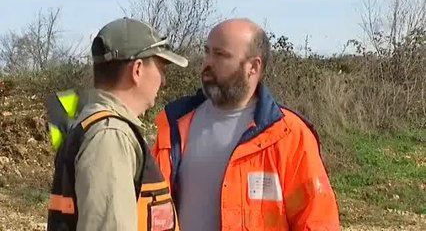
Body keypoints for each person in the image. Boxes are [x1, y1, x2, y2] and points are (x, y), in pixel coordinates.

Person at [151, 18, 341, 230]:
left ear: (253, 66)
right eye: (207, 52)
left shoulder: (288, 134)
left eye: (220, 54)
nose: (207, 62)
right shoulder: (174, 125)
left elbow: (317, 221)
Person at [45, 17, 188, 231]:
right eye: (161, 69)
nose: (164, 81)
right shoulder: (109, 135)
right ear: (137, 70)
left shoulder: (98, 127)